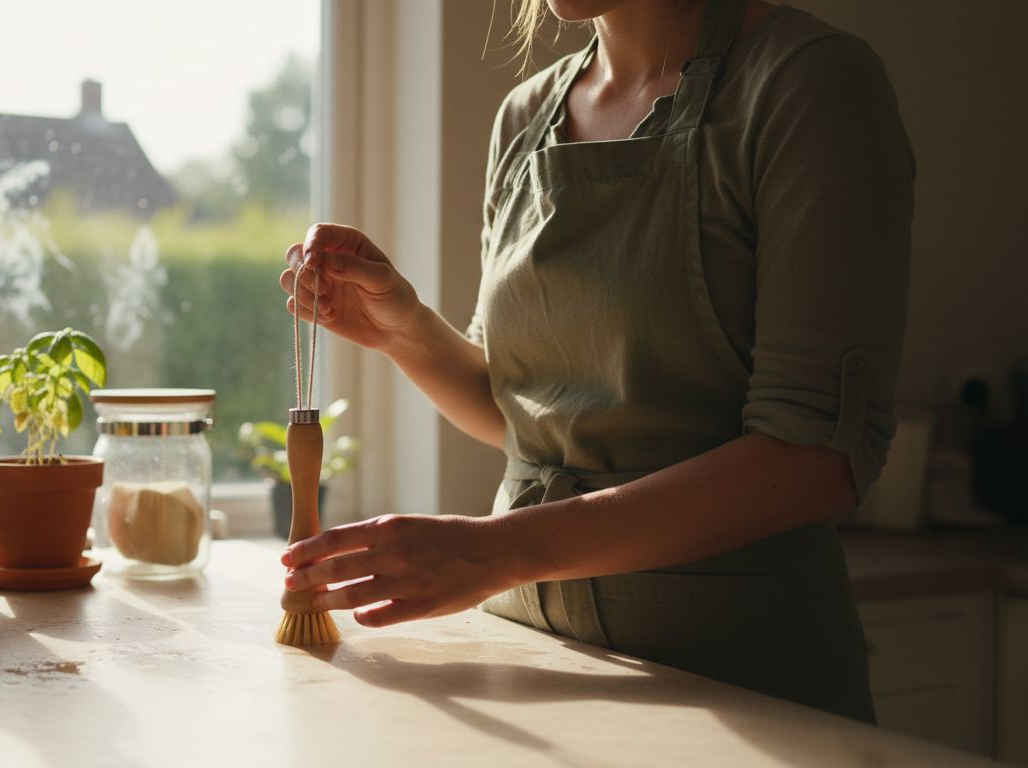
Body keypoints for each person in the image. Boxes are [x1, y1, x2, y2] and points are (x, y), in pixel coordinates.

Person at [279, 0, 912, 722]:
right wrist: (404, 330)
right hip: (530, 664)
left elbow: (814, 463)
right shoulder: (526, 116)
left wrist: (494, 553)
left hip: (743, 688)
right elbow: (528, 418)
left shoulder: (809, 84)